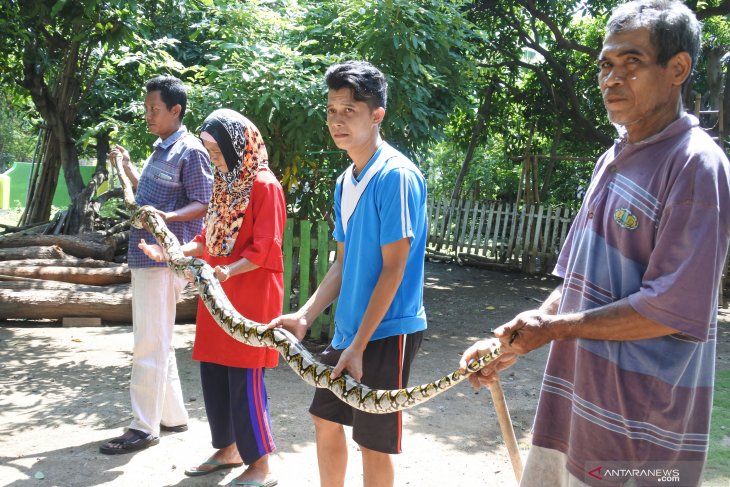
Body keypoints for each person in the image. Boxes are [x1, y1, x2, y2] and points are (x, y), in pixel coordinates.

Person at [460, 1, 730, 486]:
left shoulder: (697, 166)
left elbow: (668, 309)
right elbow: (578, 283)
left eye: (631, 64)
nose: (611, 79)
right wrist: (514, 341)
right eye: (606, 65)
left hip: (640, 438)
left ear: (678, 69)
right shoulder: (612, 157)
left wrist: (555, 330)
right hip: (571, 416)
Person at [268, 60, 428, 487]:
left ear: (377, 115)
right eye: (332, 110)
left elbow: (395, 269)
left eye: (349, 111)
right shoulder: (345, 181)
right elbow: (343, 262)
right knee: (324, 419)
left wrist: (359, 344)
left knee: (373, 442)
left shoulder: (395, 176)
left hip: (386, 331)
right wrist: (304, 315)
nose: (337, 120)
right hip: (349, 332)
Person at [139, 109, 284, 486]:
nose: (213, 158)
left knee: (245, 375)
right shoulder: (224, 182)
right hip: (217, 290)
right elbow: (207, 239)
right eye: (208, 150)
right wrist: (172, 253)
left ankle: (261, 464)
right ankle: (228, 448)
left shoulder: (264, 185)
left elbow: (267, 248)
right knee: (214, 371)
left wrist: (228, 271)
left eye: (217, 150)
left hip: (251, 294)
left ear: (239, 146)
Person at [100, 75, 214, 454]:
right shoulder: (161, 148)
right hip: (144, 255)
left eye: (154, 109)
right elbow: (145, 194)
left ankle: (142, 427)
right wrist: (129, 167)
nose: (147, 115)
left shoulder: (190, 150)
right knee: (157, 338)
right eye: (146, 108)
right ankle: (172, 416)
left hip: (163, 258)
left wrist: (166, 216)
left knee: (148, 342)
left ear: (175, 110)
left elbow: (204, 201)